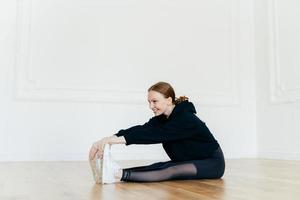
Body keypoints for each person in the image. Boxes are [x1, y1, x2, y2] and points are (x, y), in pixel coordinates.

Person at [89, 81, 225, 183]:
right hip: (191, 159)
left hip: (212, 162)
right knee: (159, 166)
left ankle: (116, 175)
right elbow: (142, 129)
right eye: (149, 102)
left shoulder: (186, 119)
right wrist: (109, 138)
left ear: (169, 100)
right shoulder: (162, 118)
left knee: (171, 170)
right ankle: (114, 172)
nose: (151, 106)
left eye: (154, 101)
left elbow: (153, 135)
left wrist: (114, 141)